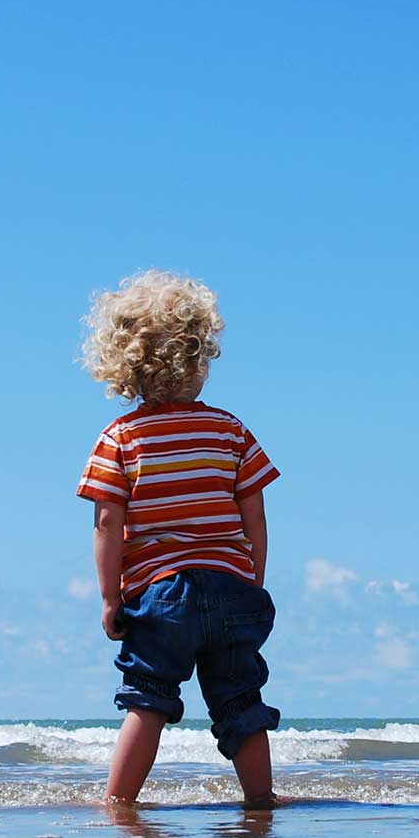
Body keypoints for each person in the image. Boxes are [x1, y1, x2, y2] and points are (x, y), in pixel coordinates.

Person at [75, 270, 281, 806]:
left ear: (127, 367)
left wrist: (110, 598)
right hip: (233, 590)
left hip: (161, 595)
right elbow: (254, 512)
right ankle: (261, 803)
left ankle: (118, 805)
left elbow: (107, 524)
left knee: (148, 701)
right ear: (199, 358)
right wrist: (252, 576)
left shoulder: (120, 439)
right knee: (241, 702)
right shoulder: (230, 430)